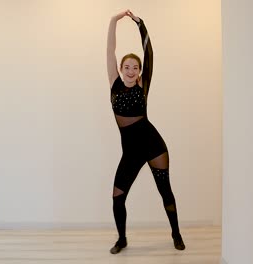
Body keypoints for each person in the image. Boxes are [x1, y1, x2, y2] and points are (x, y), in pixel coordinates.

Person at [106, 10, 186, 254]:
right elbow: (110, 50)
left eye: (135, 67)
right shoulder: (114, 84)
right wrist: (113, 21)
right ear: (120, 68)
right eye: (127, 66)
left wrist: (140, 24)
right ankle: (122, 239)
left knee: (165, 191)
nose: (131, 71)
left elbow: (149, 52)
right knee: (117, 197)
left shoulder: (143, 85)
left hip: (153, 145)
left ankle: (176, 233)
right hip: (130, 153)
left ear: (140, 71)